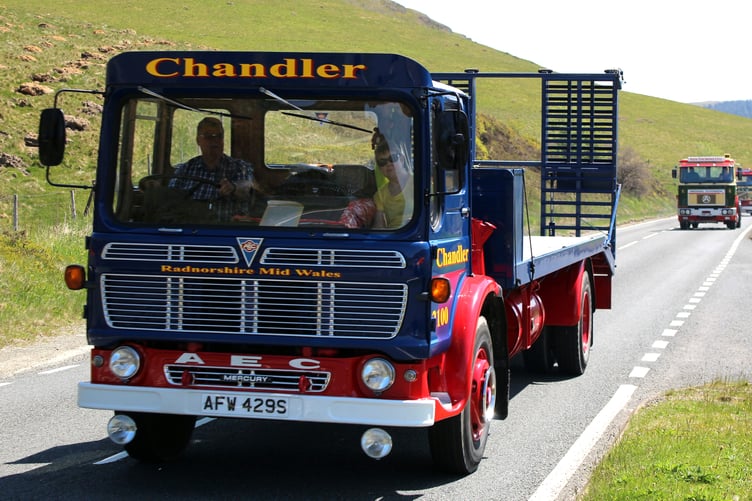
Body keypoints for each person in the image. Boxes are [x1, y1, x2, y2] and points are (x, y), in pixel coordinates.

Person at [169, 117, 255, 221]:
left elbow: (248, 189)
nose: (215, 141)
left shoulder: (240, 167)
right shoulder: (185, 170)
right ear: (198, 140)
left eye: (219, 136)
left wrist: (234, 187)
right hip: (192, 230)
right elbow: (170, 201)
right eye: (208, 137)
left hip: (228, 230)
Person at [372, 137, 413, 229]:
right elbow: (379, 228)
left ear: (402, 159)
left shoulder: (419, 185)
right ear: (379, 167)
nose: (388, 164)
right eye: (382, 162)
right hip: (394, 238)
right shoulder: (380, 195)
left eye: (393, 158)